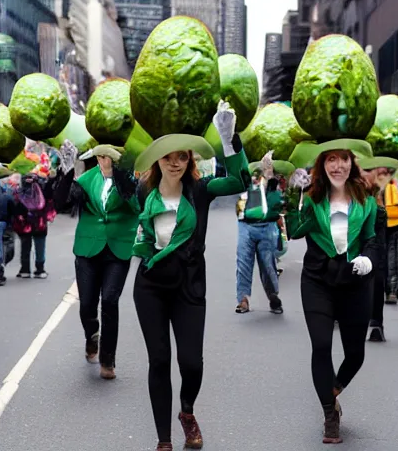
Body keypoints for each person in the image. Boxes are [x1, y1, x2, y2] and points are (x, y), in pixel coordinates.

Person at [113, 105, 250, 451]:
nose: (174, 162)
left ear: (190, 160)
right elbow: (121, 189)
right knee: (158, 359)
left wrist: (229, 140)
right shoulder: (145, 192)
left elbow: (239, 181)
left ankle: (187, 411)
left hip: (189, 286)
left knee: (191, 363)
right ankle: (164, 440)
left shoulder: (200, 191)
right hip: (151, 286)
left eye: (182, 157)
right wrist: (111, 152)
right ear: (157, 159)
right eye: (167, 156)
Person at [286, 140, 378, 444]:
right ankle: (329, 414)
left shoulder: (365, 198)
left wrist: (368, 260)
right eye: (331, 160)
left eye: (344, 159)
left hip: (354, 282)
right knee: (321, 345)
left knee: (355, 354)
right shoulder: (312, 198)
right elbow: (294, 230)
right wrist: (292, 192)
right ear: (322, 166)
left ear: (352, 163)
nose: (338, 166)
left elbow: (372, 240)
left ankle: (333, 388)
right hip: (318, 280)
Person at [68, 144, 138, 380]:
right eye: (101, 156)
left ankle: (108, 359)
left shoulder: (128, 179)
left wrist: (123, 183)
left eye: (109, 157)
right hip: (88, 248)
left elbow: (138, 207)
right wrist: (67, 174)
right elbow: (64, 203)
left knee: (109, 300)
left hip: (118, 247)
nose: (105, 161)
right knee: (87, 303)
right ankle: (91, 335)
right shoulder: (87, 179)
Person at [235, 157, 293, 314]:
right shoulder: (247, 183)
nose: (261, 175)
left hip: (267, 227)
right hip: (245, 225)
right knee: (243, 263)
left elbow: (279, 207)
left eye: (268, 170)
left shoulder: (275, 188)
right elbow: (238, 168)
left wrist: (270, 181)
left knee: (268, 265)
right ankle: (243, 299)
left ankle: (273, 296)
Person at [359, 157, 398, 342]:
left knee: (376, 275)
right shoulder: (352, 186)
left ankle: (376, 322)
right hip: (357, 232)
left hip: (382, 232)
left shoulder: (391, 186)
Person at [13, 173, 55, 278]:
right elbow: (50, 199)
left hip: (25, 224)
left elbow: (15, 207)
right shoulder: (42, 189)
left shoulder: (19, 191)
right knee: (40, 246)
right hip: (40, 223)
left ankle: (25, 269)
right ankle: (40, 269)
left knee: (25, 247)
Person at [383, 176, 398, 303]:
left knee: (390, 257)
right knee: (394, 258)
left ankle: (391, 289)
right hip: (393, 223)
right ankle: (392, 290)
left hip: (388, 224)